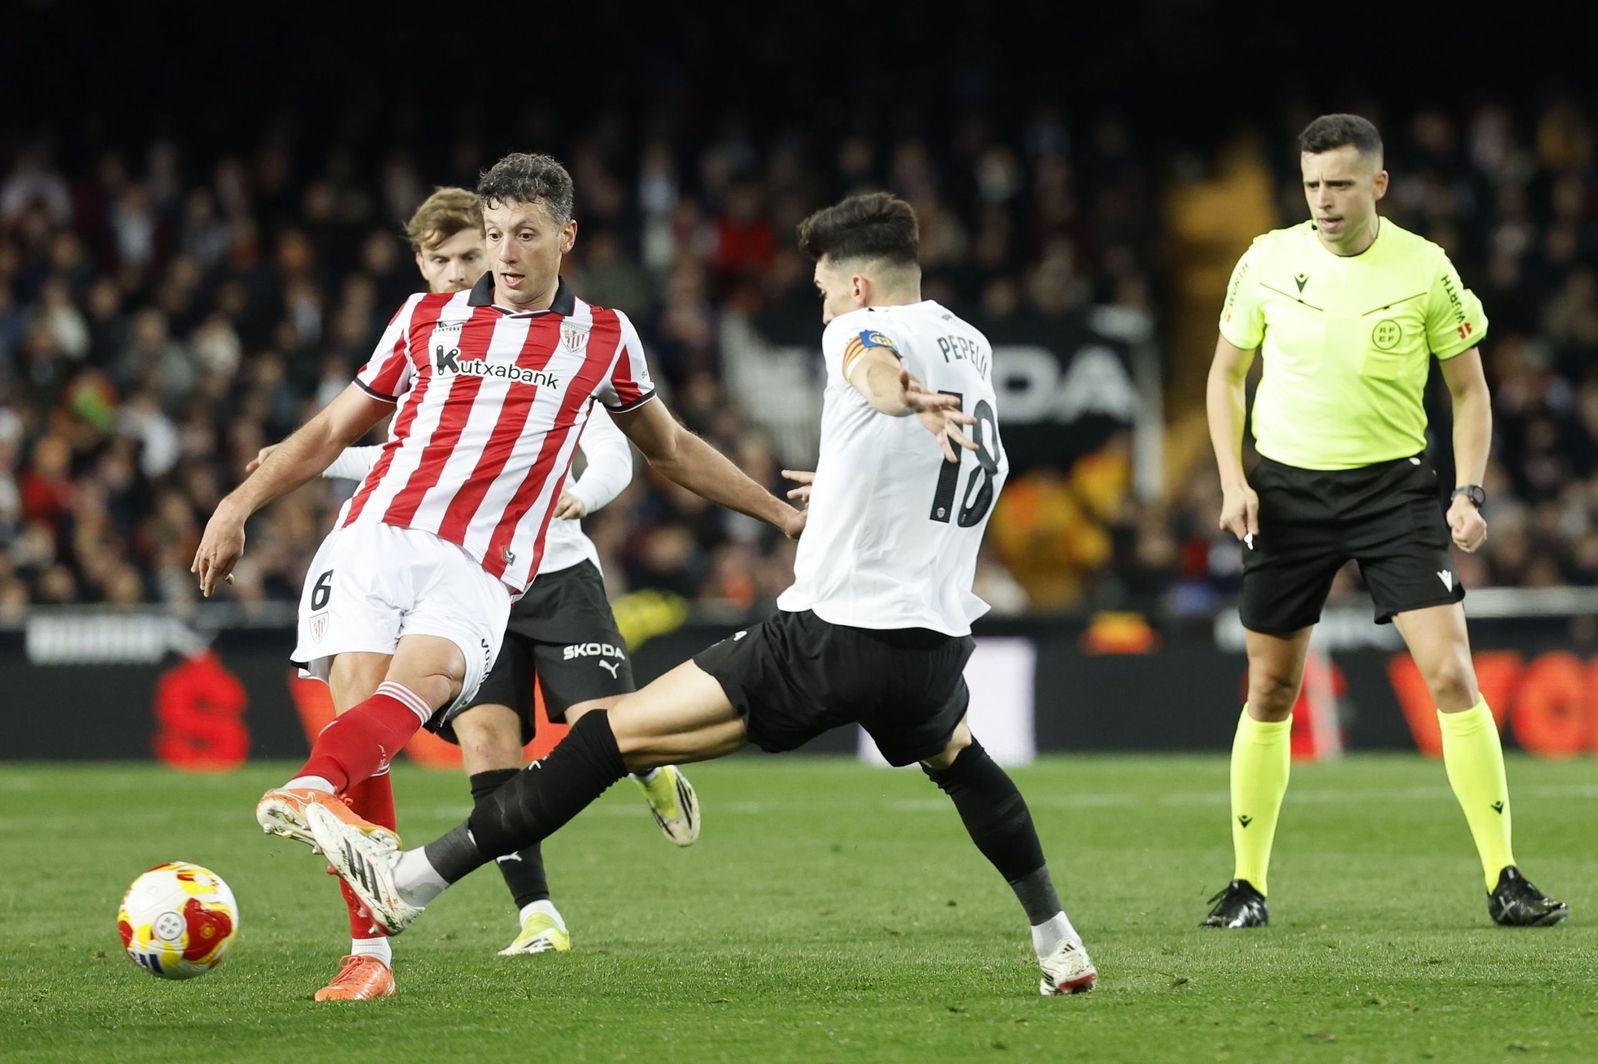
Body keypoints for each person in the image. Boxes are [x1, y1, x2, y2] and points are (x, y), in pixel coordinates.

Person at [310, 191, 1099, 997]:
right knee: (961, 761)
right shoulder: (968, 344)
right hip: (932, 646)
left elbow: (870, 365)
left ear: (858, 286)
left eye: (825, 287)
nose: (824, 304)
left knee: (607, 737)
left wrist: (891, 388)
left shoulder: (857, 331)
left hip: (829, 637)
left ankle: (411, 881)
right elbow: (941, 458)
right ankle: (1059, 942)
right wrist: (855, 475)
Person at [190, 153, 802, 993]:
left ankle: (309, 791)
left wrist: (780, 516)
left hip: (481, 565)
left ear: (566, 236)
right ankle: (369, 954)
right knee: (367, 724)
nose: (506, 255)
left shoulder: (603, 338)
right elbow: (332, 430)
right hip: (376, 533)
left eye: (525, 235)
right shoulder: (425, 319)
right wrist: (236, 505)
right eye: (495, 234)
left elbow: (672, 450)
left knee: (425, 686)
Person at [1201, 114, 1568, 929]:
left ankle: (1504, 877)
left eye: (1339, 184)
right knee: (1271, 688)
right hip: (1288, 494)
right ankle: (1247, 886)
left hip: (1392, 493)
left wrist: (1468, 492)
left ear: (1378, 183)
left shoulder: (1425, 268)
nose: (1323, 200)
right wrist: (1233, 481)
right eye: (1311, 185)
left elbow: (1470, 391)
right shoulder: (1265, 260)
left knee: (1452, 676)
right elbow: (1225, 377)